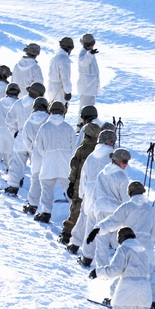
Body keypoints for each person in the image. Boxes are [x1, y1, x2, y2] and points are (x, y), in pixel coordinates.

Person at [93, 227, 155, 309]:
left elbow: (115, 270)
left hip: (128, 285)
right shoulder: (143, 250)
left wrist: (98, 272)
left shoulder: (124, 249)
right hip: (144, 287)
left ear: (121, 238)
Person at [79, 147, 131, 268]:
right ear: (117, 161)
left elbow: (95, 193)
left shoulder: (102, 174)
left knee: (102, 240)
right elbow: (125, 197)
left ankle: (101, 269)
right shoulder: (122, 177)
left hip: (101, 209)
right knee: (120, 240)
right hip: (115, 211)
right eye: (124, 161)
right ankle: (125, 266)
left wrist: (96, 207)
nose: (126, 165)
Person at [59, 106, 102, 247]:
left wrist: (71, 179)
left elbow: (76, 152)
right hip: (99, 174)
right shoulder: (104, 126)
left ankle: (68, 233)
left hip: (83, 173)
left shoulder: (86, 129)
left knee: (77, 204)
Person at [71, 125, 116, 259]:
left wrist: (82, 194)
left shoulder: (91, 157)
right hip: (107, 196)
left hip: (90, 195)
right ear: (111, 142)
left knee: (88, 224)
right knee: (108, 227)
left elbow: (84, 177)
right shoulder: (113, 157)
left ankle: (83, 253)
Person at [29, 101, 78, 223]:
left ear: (50, 111)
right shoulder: (68, 128)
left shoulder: (44, 127)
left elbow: (39, 147)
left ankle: (46, 213)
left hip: (48, 163)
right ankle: (75, 214)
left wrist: (47, 154)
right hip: (66, 164)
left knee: (47, 188)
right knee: (69, 190)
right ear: (63, 112)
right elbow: (74, 148)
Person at [5, 86, 48, 196]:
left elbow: (9, 119)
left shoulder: (19, 103)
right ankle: (37, 192)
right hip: (37, 141)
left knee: (17, 164)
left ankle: (13, 186)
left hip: (21, 137)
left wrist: (14, 131)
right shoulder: (42, 108)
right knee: (36, 168)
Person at [47, 37, 74, 106]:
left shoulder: (55, 57)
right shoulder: (64, 59)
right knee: (59, 111)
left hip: (51, 88)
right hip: (59, 89)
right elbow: (65, 77)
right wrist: (68, 92)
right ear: (69, 48)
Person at [77, 33, 100, 113]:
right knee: (84, 107)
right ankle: (80, 123)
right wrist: (89, 54)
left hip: (90, 87)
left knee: (89, 107)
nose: (91, 46)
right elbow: (83, 62)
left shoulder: (89, 53)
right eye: (89, 45)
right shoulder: (84, 54)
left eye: (92, 44)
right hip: (86, 87)